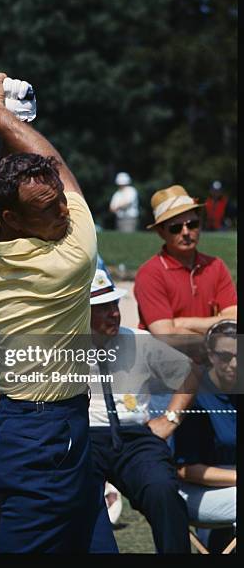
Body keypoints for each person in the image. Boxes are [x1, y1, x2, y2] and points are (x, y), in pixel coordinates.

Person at [0, 72, 117, 553]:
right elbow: (55, 164)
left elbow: (16, 177)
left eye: (61, 202)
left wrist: (6, 116)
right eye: (49, 209)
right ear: (13, 219)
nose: (64, 211)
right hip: (43, 433)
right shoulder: (69, 259)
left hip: (40, 426)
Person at [88, 268, 192, 553]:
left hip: (135, 436)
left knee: (162, 488)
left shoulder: (138, 339)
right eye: (103, 308)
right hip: (85, 436)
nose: (113, 313)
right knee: (80, 497)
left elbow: (190, 372)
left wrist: (171, 418)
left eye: (115, 305)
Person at [134, 185, 237, 338]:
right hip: (164, 360)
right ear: (161, 232)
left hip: (212, 358)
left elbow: (234, 320)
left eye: (192, 224)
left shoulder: (216, 266)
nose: (186, 232)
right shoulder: (150, 273)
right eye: (175, 228)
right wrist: (215, 340)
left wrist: (182, 323)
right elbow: (166, 334)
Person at [173, 320, 236, 553]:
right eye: (225, 356)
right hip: (196, 490)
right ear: (210, 355)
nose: (234, 364)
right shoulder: (196, 397)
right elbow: (185, 469)